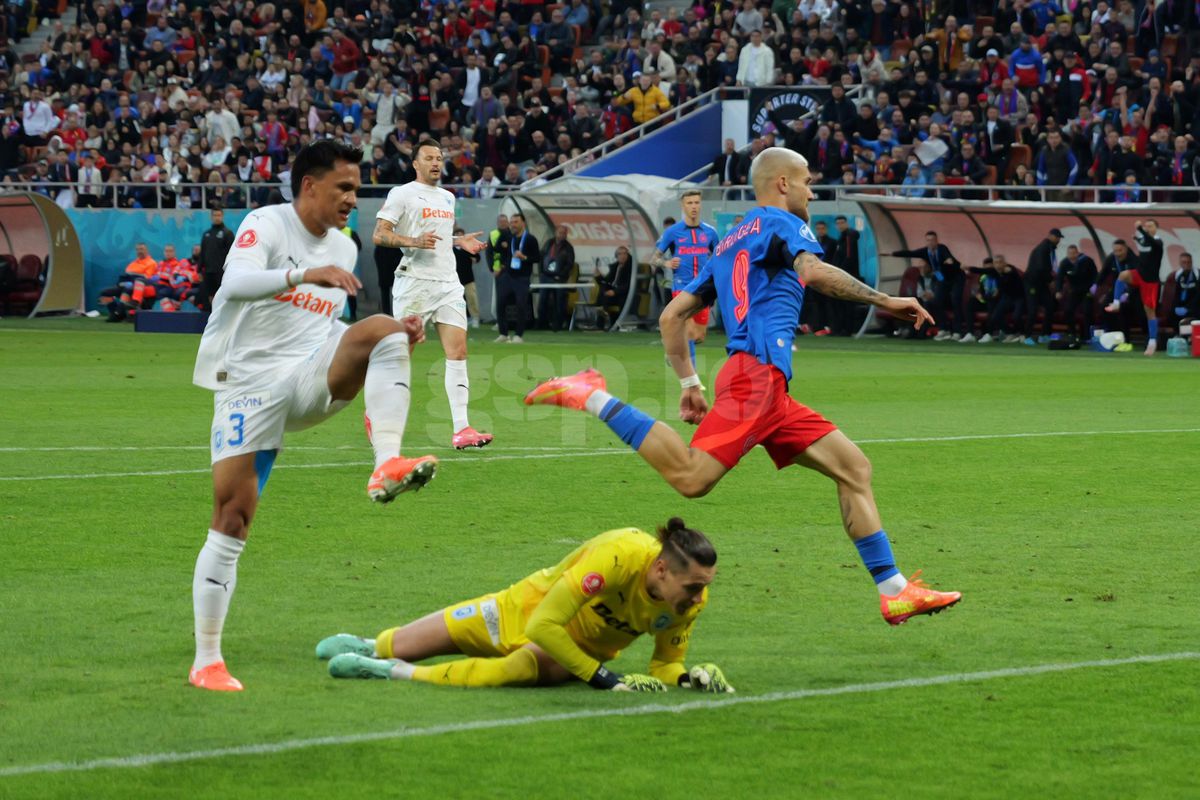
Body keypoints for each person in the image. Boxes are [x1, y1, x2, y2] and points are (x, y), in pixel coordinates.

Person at [525, 147, 960, 627]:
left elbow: (672, 317)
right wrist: (885, 300)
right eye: (807, 182)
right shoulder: (781, 224)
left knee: (854, 467)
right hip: (756, 378)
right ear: (782, 185)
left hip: (765, 384)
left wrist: (689, 382)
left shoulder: (729, 240)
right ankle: (591, 394)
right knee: (692, 478)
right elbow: (813, 273)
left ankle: (893, 590)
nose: (812, 191)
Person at [188, 140, 437, 693]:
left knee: (384, 327)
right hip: (248, 388)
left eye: (357, 188)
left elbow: (325, 330)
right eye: (344, 188)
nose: (353, 198)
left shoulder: (344, 249)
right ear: (309, 185)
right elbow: (233, 285)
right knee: (233, 518)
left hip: (305, 377)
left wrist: (394, 342)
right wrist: (302, 275)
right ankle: (207, 659)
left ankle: (387, 464)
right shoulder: (268, 223)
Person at [316, 518, 733, 693]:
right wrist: (603, 678)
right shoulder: (619, 556)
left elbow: (663, 664)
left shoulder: (689, 602)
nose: (699, 599)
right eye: (693, 587)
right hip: (523, 607)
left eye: (703, 588)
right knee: (401, 640)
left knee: (513, 669)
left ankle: (394, 671)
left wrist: (686, 679)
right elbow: (543, 623)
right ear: (661, 569)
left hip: (573, 649)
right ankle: (376, 647)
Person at [373, 139, 493, 448]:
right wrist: (412, 241)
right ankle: (379, 416)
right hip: (415, 283)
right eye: (429, 157)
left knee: (458, 353)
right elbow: (380, 234)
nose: (436, 162)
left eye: (439, 157)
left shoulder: (448, 197)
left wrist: (458, 241)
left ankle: (462, 429)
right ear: (415, 163)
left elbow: (438, 239)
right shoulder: (401, 194)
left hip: (447, 283)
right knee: (400, 357)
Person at [651, 190, 717, 365]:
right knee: (688, 329)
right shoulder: (673, 232)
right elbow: (654, 258)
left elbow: (720, 255)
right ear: (683, 205)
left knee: (698, 335)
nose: (694, 206)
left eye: (696, 202)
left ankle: (672, 347)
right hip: (682, 286)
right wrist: (666, 263)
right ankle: (691, 378)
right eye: (690, 203)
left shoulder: (710, 232)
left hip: (703, 288)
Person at [892, 232, 964, 340]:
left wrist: (950, 261)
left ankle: (958, 332)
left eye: (932, 240)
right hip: (942, 277)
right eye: (928, 240)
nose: (930, 242)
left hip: (956, 276)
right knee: (936, 301)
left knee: (955, 299)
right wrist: (893, 254)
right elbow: (910, 253)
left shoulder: (941, 248)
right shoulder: (925, 251)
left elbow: (948, 256)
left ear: (936, 241)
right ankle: (944, 329)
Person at [1105, 220, 1163, 355]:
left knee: (1149, 312)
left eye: (1151, 226)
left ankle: (1152, 342)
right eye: (1146, 226)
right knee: (1122, 275)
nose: (1148, 228)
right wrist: (1137, 237)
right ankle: (1116, 303)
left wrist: (1140, 230)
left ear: (1156, 229)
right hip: (1139, 275)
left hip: (1150, 281)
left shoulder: (1158, 242)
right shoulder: (1143, 240)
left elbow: (1151, 243)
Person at [494, 212, 539, 342]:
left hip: (522, 278)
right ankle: (503, 334)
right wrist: (500, 266)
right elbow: (499, 250)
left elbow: (537, 258)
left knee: (521, 305)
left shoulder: (530, 239)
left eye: (516, 222)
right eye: (512, 222)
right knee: (501, 303)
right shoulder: (508, 236)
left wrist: (524, 257)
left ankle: (518, 335)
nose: (513, 224)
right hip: (507, 276)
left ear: (523, 223)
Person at [97, 242, 159, 321]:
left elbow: (146, 279)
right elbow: (124, 277)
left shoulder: (151, 263)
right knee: (105, 293)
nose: (139, 251)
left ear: (147, 250)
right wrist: (122, 284)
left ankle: (118, 314)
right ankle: (114, 313)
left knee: (127, 290)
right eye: (137, 249)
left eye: (142, 249)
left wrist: (131, 283)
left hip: (140, 288)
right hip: (127, 286)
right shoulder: (132, 264)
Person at [1023, 228, 1062, 345]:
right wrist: (1050, 280)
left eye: (1059, 237)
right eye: (1056, 237)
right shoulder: (1043, 248)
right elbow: (1041, 267)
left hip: (1041, 283)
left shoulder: (1049, 248)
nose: (1058, 240)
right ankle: (1027, 336)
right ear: (1050, 236)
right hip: (1032, 283)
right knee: (1033, 310)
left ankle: (1045, 335)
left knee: (1050, 306)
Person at [1055, 245, 1099, 342]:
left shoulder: (1087, 261)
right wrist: (1058, 291)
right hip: (1074, 291)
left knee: (1087, 311)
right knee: (1068, 310)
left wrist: (1094, 285)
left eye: (1074, 253)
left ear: (1077, 253)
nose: (1072, 256)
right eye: (1069, 254)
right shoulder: (1064, 263)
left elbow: (1095, 274)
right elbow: (1059, 278)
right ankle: (1072, 333)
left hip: (1087, 290)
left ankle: (1087, 336)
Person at [538, 223, 575, 332]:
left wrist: (561, 275)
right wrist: (541, 272)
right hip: (545, 276)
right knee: (543, 300)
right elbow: (541, 257)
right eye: (560, 232)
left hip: (560, 278)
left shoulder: (568, 247)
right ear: (555, 233)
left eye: (564, 233)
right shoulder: (548, 243)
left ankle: (558, 325)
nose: (562, 235)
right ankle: (541, 324)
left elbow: (569, 264)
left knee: (559, 301)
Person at [831, 215, 862, 335]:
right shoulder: (841, 238)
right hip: (841, 275)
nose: (840, 225)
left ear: (846, 223)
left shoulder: (849, 235)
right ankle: (840, 328)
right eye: (838, 223)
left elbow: (849, 256)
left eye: (842, 223)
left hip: (847, 276)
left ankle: (847, 329)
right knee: (840, 303)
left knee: (847, 304)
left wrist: (841, 272)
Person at [198, 207, 234, 308]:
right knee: (210, 297)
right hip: (209, 272)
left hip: (221, 272)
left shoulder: (228, 233)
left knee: (222, 297)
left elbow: (232, 253)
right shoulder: (206, 234)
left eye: (219, 215)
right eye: (215, 215)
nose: (217, 218)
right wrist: (199, 269)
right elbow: (203, 253)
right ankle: (212, 316)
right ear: (211, 217)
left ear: (222, 216)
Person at [452, 226, 481, 329]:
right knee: (457, 300)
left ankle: (475, 318)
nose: (459, 237)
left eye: (461, 235)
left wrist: (474, 259)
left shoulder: (468, 248)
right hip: (454, 279)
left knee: (471, 298)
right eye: (457, 235)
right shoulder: (450, 250)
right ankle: (461, 318)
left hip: (468, 278)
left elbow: (477, 257)